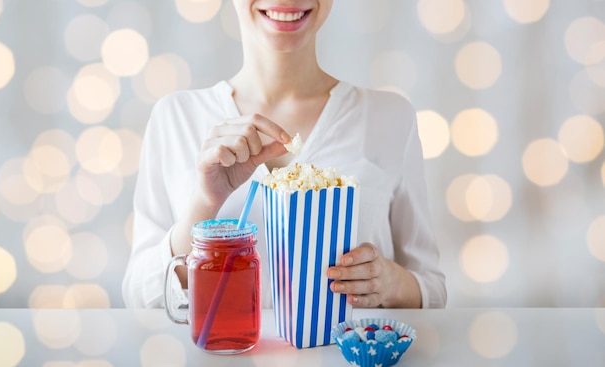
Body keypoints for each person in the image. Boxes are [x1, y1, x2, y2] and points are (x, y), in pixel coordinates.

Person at [122, 0, 447, 309]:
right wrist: (206, 203)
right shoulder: (176, 117)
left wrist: (390, 283)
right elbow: (140, 294)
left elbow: (432, 289)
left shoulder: (390, 116)